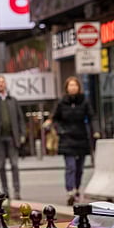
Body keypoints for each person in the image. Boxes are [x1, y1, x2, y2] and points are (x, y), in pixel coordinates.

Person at [44, 76, 100, 206]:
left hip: (81, 137)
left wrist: (96, 130)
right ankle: (70, 190)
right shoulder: (61, 102)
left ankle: (76, 188)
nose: (73, 88)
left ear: (78, 87)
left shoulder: (84, 102)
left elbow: (92, 117)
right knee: (71, 167)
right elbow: (55, 118)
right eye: (70, 85)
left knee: (79, 168)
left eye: (75, 85)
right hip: (66, 137)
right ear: (67, 88)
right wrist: (59, 130)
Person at [0, 75, 26, 200]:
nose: (0, 84)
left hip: (12, 137)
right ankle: (6, 191)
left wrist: (22, 134)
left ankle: (17, 191)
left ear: (6, 84)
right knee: (1, 165)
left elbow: (20, 119)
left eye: (2, 82)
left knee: (14, 164)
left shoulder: (12, 100)